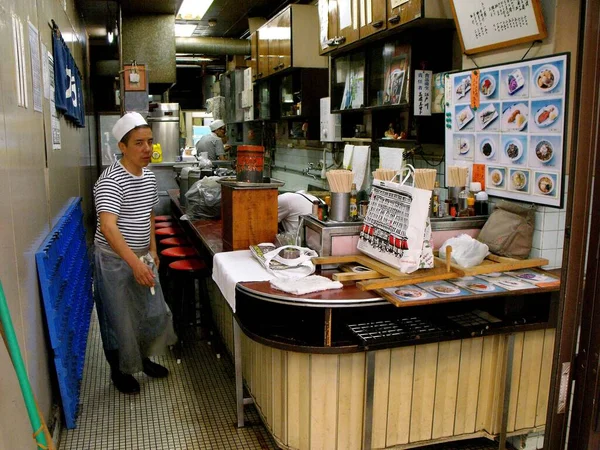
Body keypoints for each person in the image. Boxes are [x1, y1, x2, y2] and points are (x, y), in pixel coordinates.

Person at [93, 112, 177, 394]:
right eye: (139, 143)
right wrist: (134, 263)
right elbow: (108, 227)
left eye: (150, 142)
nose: (147, 149)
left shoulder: (149, 177)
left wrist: (152, 250)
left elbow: (148, 214)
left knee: (145, 313)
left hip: (141, 255)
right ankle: (120, 371)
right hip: (114, 260)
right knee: (118, 317)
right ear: (123, 147)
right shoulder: (111, 180)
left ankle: (142, 359)